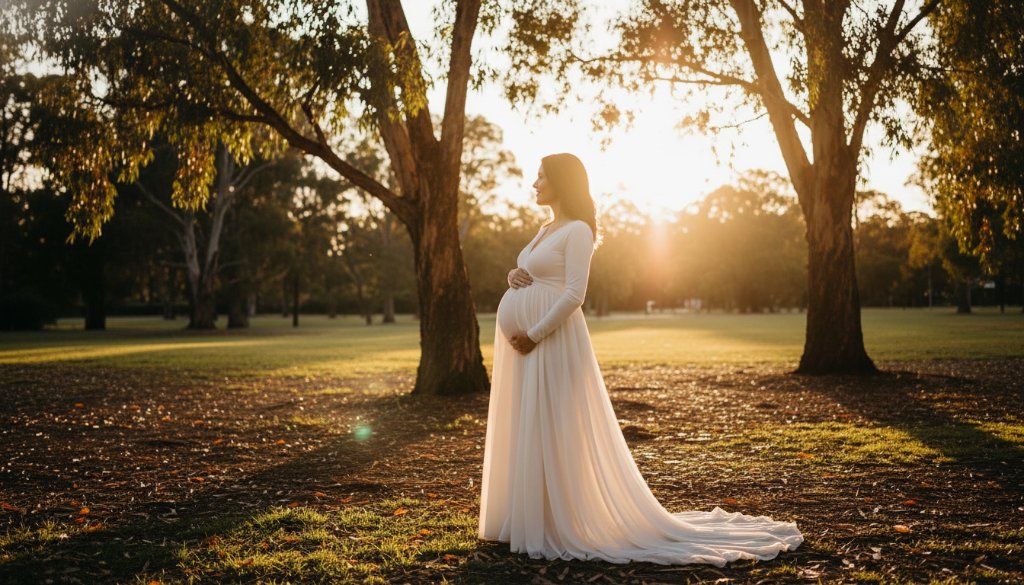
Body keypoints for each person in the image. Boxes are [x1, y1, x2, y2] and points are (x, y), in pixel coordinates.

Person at [477, 153, 804, 566]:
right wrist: (513, 276)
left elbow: (574, 294)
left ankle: (558, 520)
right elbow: (533, 272)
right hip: (525, 348)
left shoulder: (578, 230)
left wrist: (536, 334)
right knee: (529, 424)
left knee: (554, 425)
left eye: (541, 176)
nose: (534, 182)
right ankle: (527, 516)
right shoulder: (545, 229)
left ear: (562, 181)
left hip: (549, 342)